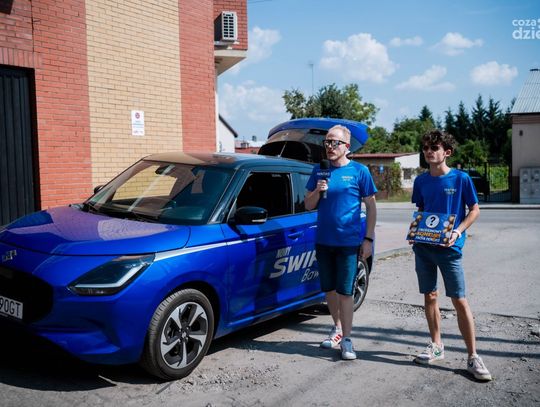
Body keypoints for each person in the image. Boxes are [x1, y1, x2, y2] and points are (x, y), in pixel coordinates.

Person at [411, 129, 492, 381]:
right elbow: (422, 210)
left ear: (447, 152)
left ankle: (473, 356)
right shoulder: (421, 181)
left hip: (450, 249)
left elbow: (474, 210)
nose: (428, 152)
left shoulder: (461, 179)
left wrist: (458, 231)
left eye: (434, 148)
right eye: (426, 148)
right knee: (430, 296)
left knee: (459, 299)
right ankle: (436, 346)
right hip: (424, 247)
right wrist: (416, 231)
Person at [305, 124, 377, 360]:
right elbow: (308, 205)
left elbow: (371, 206)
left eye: (334, 142)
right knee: (329, 289)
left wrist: (368, 238)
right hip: (323, 241)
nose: (329, 146)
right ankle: (337, 328)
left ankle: (347, 340)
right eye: (327, 142)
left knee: (346, 292)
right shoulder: (319, 170)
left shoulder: (359, 171)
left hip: (348, 242)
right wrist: (318, 190)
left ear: (346, 146)